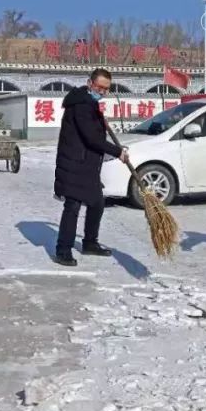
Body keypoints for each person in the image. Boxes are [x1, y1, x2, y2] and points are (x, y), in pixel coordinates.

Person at [52, 68, 130, 267]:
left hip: (86, 164)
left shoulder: (89, 103)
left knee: (96, 203)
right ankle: (63, 250)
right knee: (73, 206)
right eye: (99, 87)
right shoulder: (81, 105)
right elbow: (91, 138)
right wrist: (117, 151)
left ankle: (89, 243)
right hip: (74, 163)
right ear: (89, 83)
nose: (102, 91)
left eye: (106, 89)